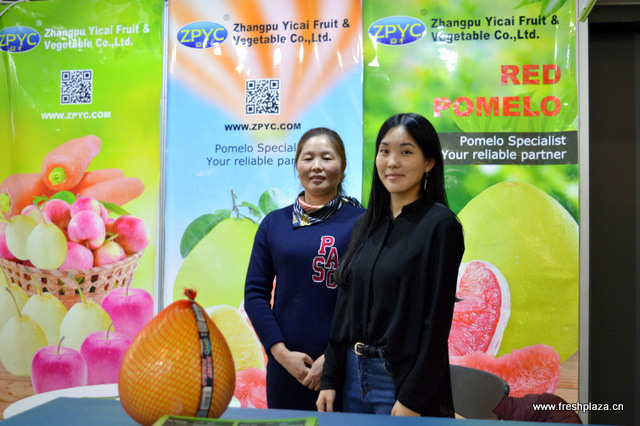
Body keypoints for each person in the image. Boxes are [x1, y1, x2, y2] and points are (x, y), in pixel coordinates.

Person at [317, 113, 464, 417]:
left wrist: (413, 397)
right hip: (352, 376)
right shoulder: (364, 224)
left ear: (429, 163)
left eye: (406, 152)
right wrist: (330, 377)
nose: (392, 162)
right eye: (384, 151)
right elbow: (344, 309)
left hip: (398, 382)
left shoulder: (441, 226)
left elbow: (436, 324)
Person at [244, 127, 364, 411]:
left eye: (327, 157)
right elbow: (255, 294)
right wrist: (280, 353)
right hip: (285, 367)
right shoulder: (274, 223)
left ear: (343, 166)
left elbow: (368, 300)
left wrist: (333, 358)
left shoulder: (363, 222)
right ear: (297, 165)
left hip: (345, 366)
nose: (316, 166)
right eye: (308, 158)